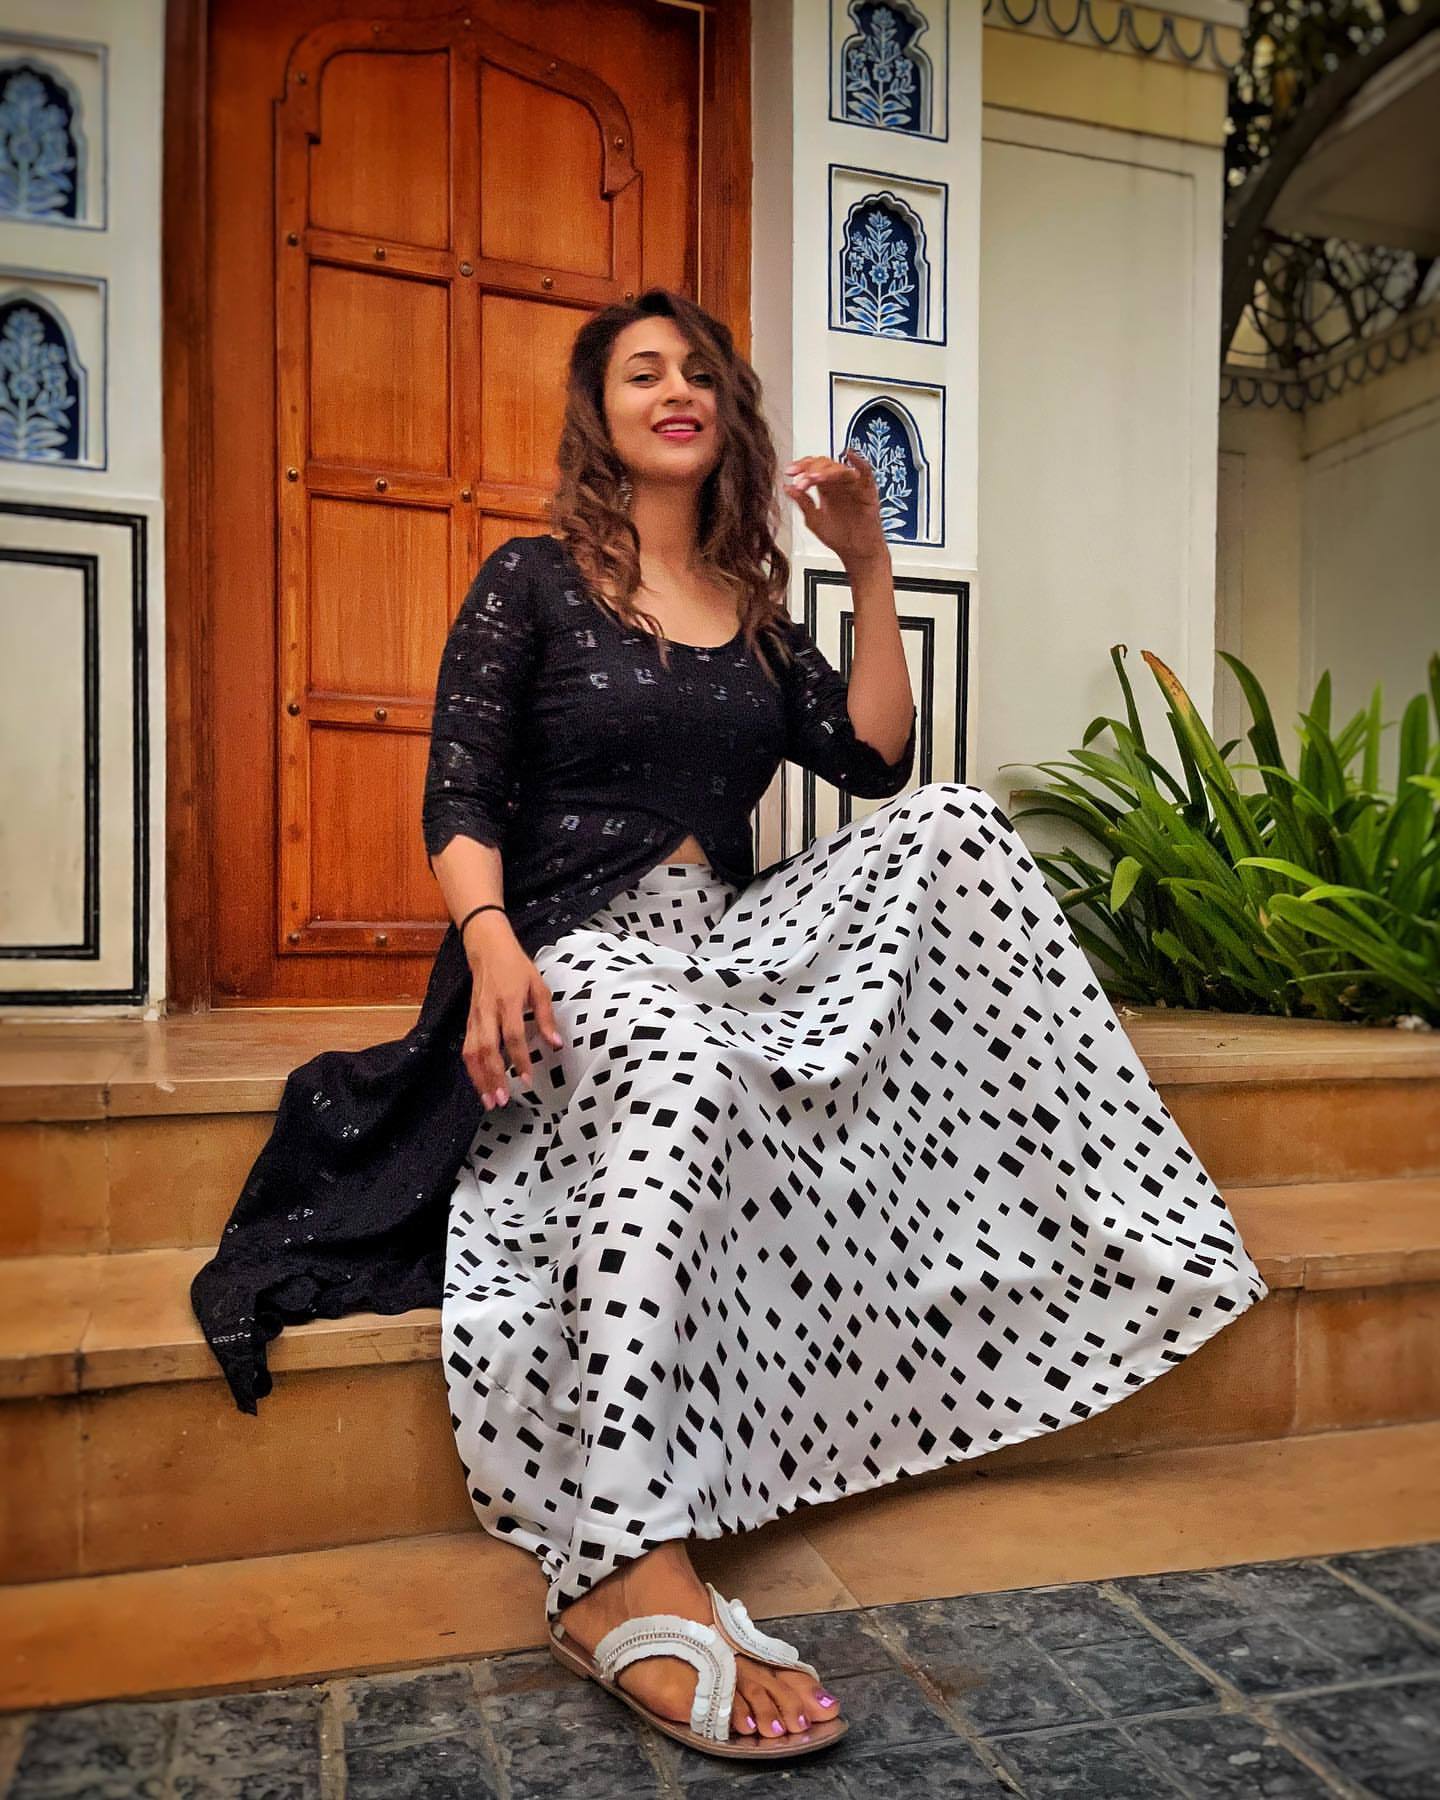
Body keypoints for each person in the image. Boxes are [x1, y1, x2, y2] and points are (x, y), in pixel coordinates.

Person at [192, 287, 1269, 1765]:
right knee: (689, 1070)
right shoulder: (534, 579)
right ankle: (622, 1562)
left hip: (725, 941)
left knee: (956, 826)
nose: (675, 388)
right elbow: (461, 789)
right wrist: (490, 939)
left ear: (729, 415)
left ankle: (1100, 1210)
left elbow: (875, 761)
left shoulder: (756, 615)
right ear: (602, 413)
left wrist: (869, 566)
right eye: (642, 372)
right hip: (567, 940)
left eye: (698, 371)